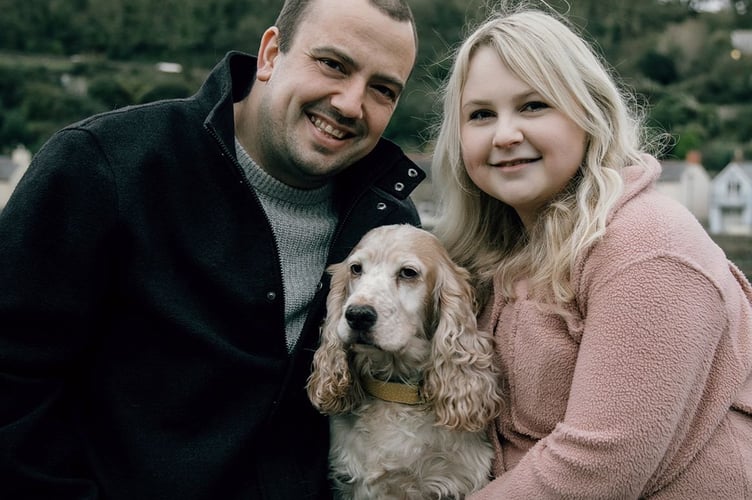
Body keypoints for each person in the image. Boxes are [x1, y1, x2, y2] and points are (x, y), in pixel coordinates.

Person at [0, 0, 424, 498]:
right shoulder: (105, 167)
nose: (351, 104)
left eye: (383, 90)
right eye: (333, 64)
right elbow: (12, 383)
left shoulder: (387, 228)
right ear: (270, 54)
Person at [431, 6, 752, 499]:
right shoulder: (496, 255)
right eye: (480, 115)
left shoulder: (648, 247)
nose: (505, 134)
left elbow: (598, 468)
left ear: (589, 112)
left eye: (534, 105)